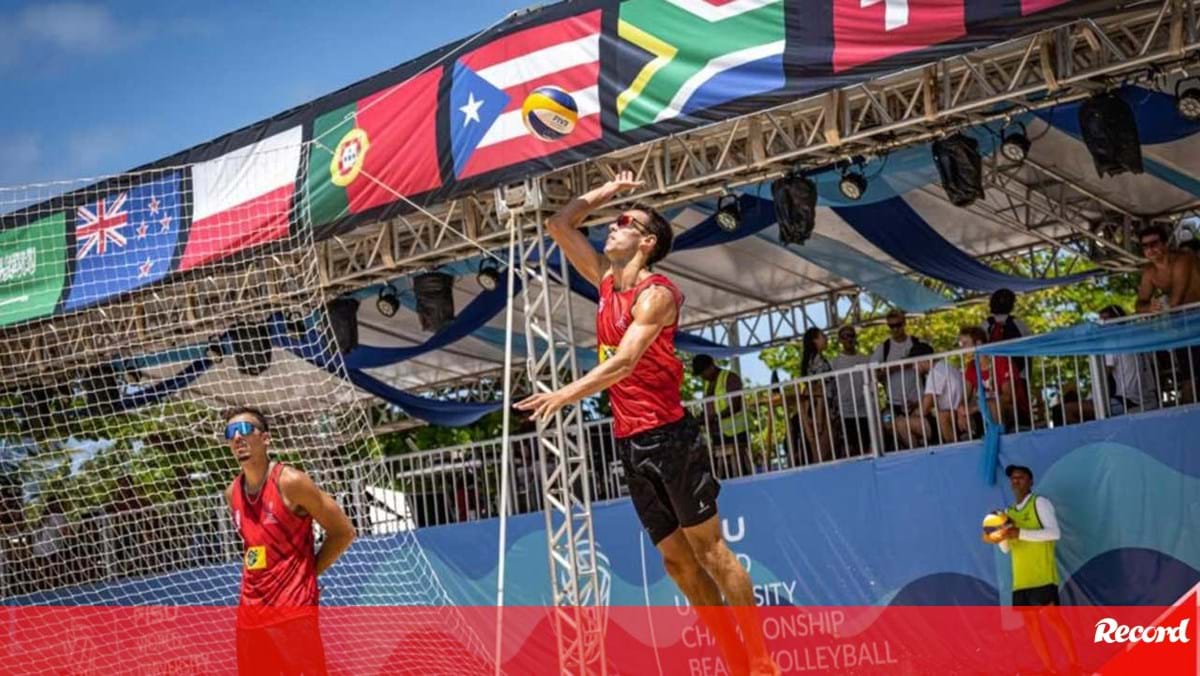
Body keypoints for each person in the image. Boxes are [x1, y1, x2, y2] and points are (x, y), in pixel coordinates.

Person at [515, 171, 775, 675]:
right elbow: (560, 223)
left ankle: (761, 661)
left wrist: (564, 395)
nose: (611, 227)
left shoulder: (658, 295)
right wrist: (609, 192)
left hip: (669, 436)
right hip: (629, 441)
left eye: (623, 223)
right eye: (612, 221)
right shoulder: (607, 281)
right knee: (677, 563)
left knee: (713, 552)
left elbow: (624, 363)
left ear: (647, 242)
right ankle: (735, 661)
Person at [224, 407, 356, 675]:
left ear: (266, 439)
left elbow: (343, 532)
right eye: (231, 432)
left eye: (246, 429)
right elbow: (257, 550)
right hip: (251, 618)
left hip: (293, 614)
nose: (238, 437)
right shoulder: (232, 493)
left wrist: (308, 573)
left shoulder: (291, 482)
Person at [988, 464, 1081, 676]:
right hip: (1021, 580)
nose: (1015, 481)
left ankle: (1075, 665)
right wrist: (998, 534)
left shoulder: (1039, 502)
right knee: (1031, 626)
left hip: (1042, 576)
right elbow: (1005, 549)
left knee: (1054, 621)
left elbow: (1054, 533)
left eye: (1020, 477)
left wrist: (1019, 532)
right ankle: (1049, 669)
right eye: (1012, 478)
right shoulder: (1008, 513)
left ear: (1031, 482)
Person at [1135, 224, 1200, 403]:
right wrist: (1148, 308)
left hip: (1192, 319)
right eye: (1145, 246)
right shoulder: (1149, 272)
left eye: (1154, 243)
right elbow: (1139, 304)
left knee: (1193, 378)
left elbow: (1177, 299)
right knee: (1190, 379)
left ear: (1165, 244)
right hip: (1184, 326)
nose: (1150, 249)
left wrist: (1162, 311)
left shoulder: (1183, 259)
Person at [869, 310, 933, 450]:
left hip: (917, 402)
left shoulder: (917, 342)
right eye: (891, 326)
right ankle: (907, 445)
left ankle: (915, 447)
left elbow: (931, 360)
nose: (895, 329)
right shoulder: (884, 347)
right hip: (893, 404)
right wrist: (889, 370)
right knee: (887, 422)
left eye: (898, 325)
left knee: (918, 427)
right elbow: (872, 372)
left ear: (904, 323)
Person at [692, 354, 753, 478]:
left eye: (703, 372)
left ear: (711, 367)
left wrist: (714, 417)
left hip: (735, 432)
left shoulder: (730, 378)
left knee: (740, 470)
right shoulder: (708, 384)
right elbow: (709, 407)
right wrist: (702, 418)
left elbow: (735, 406)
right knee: (724, 471)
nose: (703, 377)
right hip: (718, 434)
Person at [1098, 305, 1160, 415]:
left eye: (1105, 321)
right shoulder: (1140, 338)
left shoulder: (1112, 342)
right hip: (1152, 399)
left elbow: (1102, 376)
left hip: (1130, 400)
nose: (1102, 326)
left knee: (1068, 410)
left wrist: (1088, 397)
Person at [830, 326, 871, 456]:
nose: (848, 339)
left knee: (867, 446)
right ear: (840, 340)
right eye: (845, 336)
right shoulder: (834, 363)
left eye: (851, 335)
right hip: (845, 413)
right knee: (849, 449)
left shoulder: (866, 359)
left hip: (865, 410)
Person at [912, 351, 965, 446]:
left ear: (922, 360)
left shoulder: (935, 373)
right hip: (957, 412)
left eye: (913, 363)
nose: (913, 368)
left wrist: (913, 414)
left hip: (951, 416)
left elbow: (925, 408)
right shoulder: (947, 367)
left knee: (902, 423)